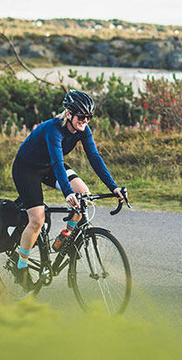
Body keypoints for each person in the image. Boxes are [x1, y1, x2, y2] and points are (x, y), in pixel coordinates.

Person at [11, 90, 124, 289]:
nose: (85, 121)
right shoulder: (54, 129)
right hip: (26, 168)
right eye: (81, 116)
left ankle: (66, 235)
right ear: (69, 113)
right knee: (37, 220)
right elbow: (58, 162)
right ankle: (21, 266)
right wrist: (67, 193)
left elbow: (95, 158)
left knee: (85, 195)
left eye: (89, 117)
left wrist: (113, 187)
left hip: (48, 166)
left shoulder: (83, 129)